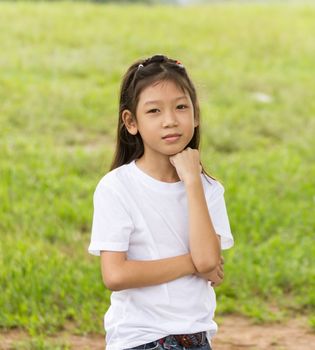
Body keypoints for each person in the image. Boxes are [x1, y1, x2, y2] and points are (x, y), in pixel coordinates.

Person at [88, 54, 234, 350]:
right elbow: (115, 274)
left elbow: (208, 262)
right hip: (140, 339)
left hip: (197, 337)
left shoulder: (208, 188)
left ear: (195, 115)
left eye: (181, 107)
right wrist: (190, 263)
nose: (170, 121)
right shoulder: (117, 187)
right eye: (154, 111)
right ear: (131, 122)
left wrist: (192, 181)